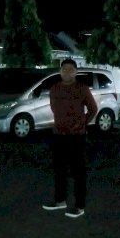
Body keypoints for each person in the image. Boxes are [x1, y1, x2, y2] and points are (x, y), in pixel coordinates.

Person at [42, 58, 97, 218]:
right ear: (60, 71)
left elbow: (93, 109)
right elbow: (54, 108)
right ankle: (60, 200)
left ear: (76, 72)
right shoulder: (55, 89)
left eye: (70, 69)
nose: (67, 72)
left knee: (78, 172)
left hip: (76, 136)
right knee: (59, 170)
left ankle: (80, 205)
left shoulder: (82, 89)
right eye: (64, 69)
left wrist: (82, 124)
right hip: (58, 135)